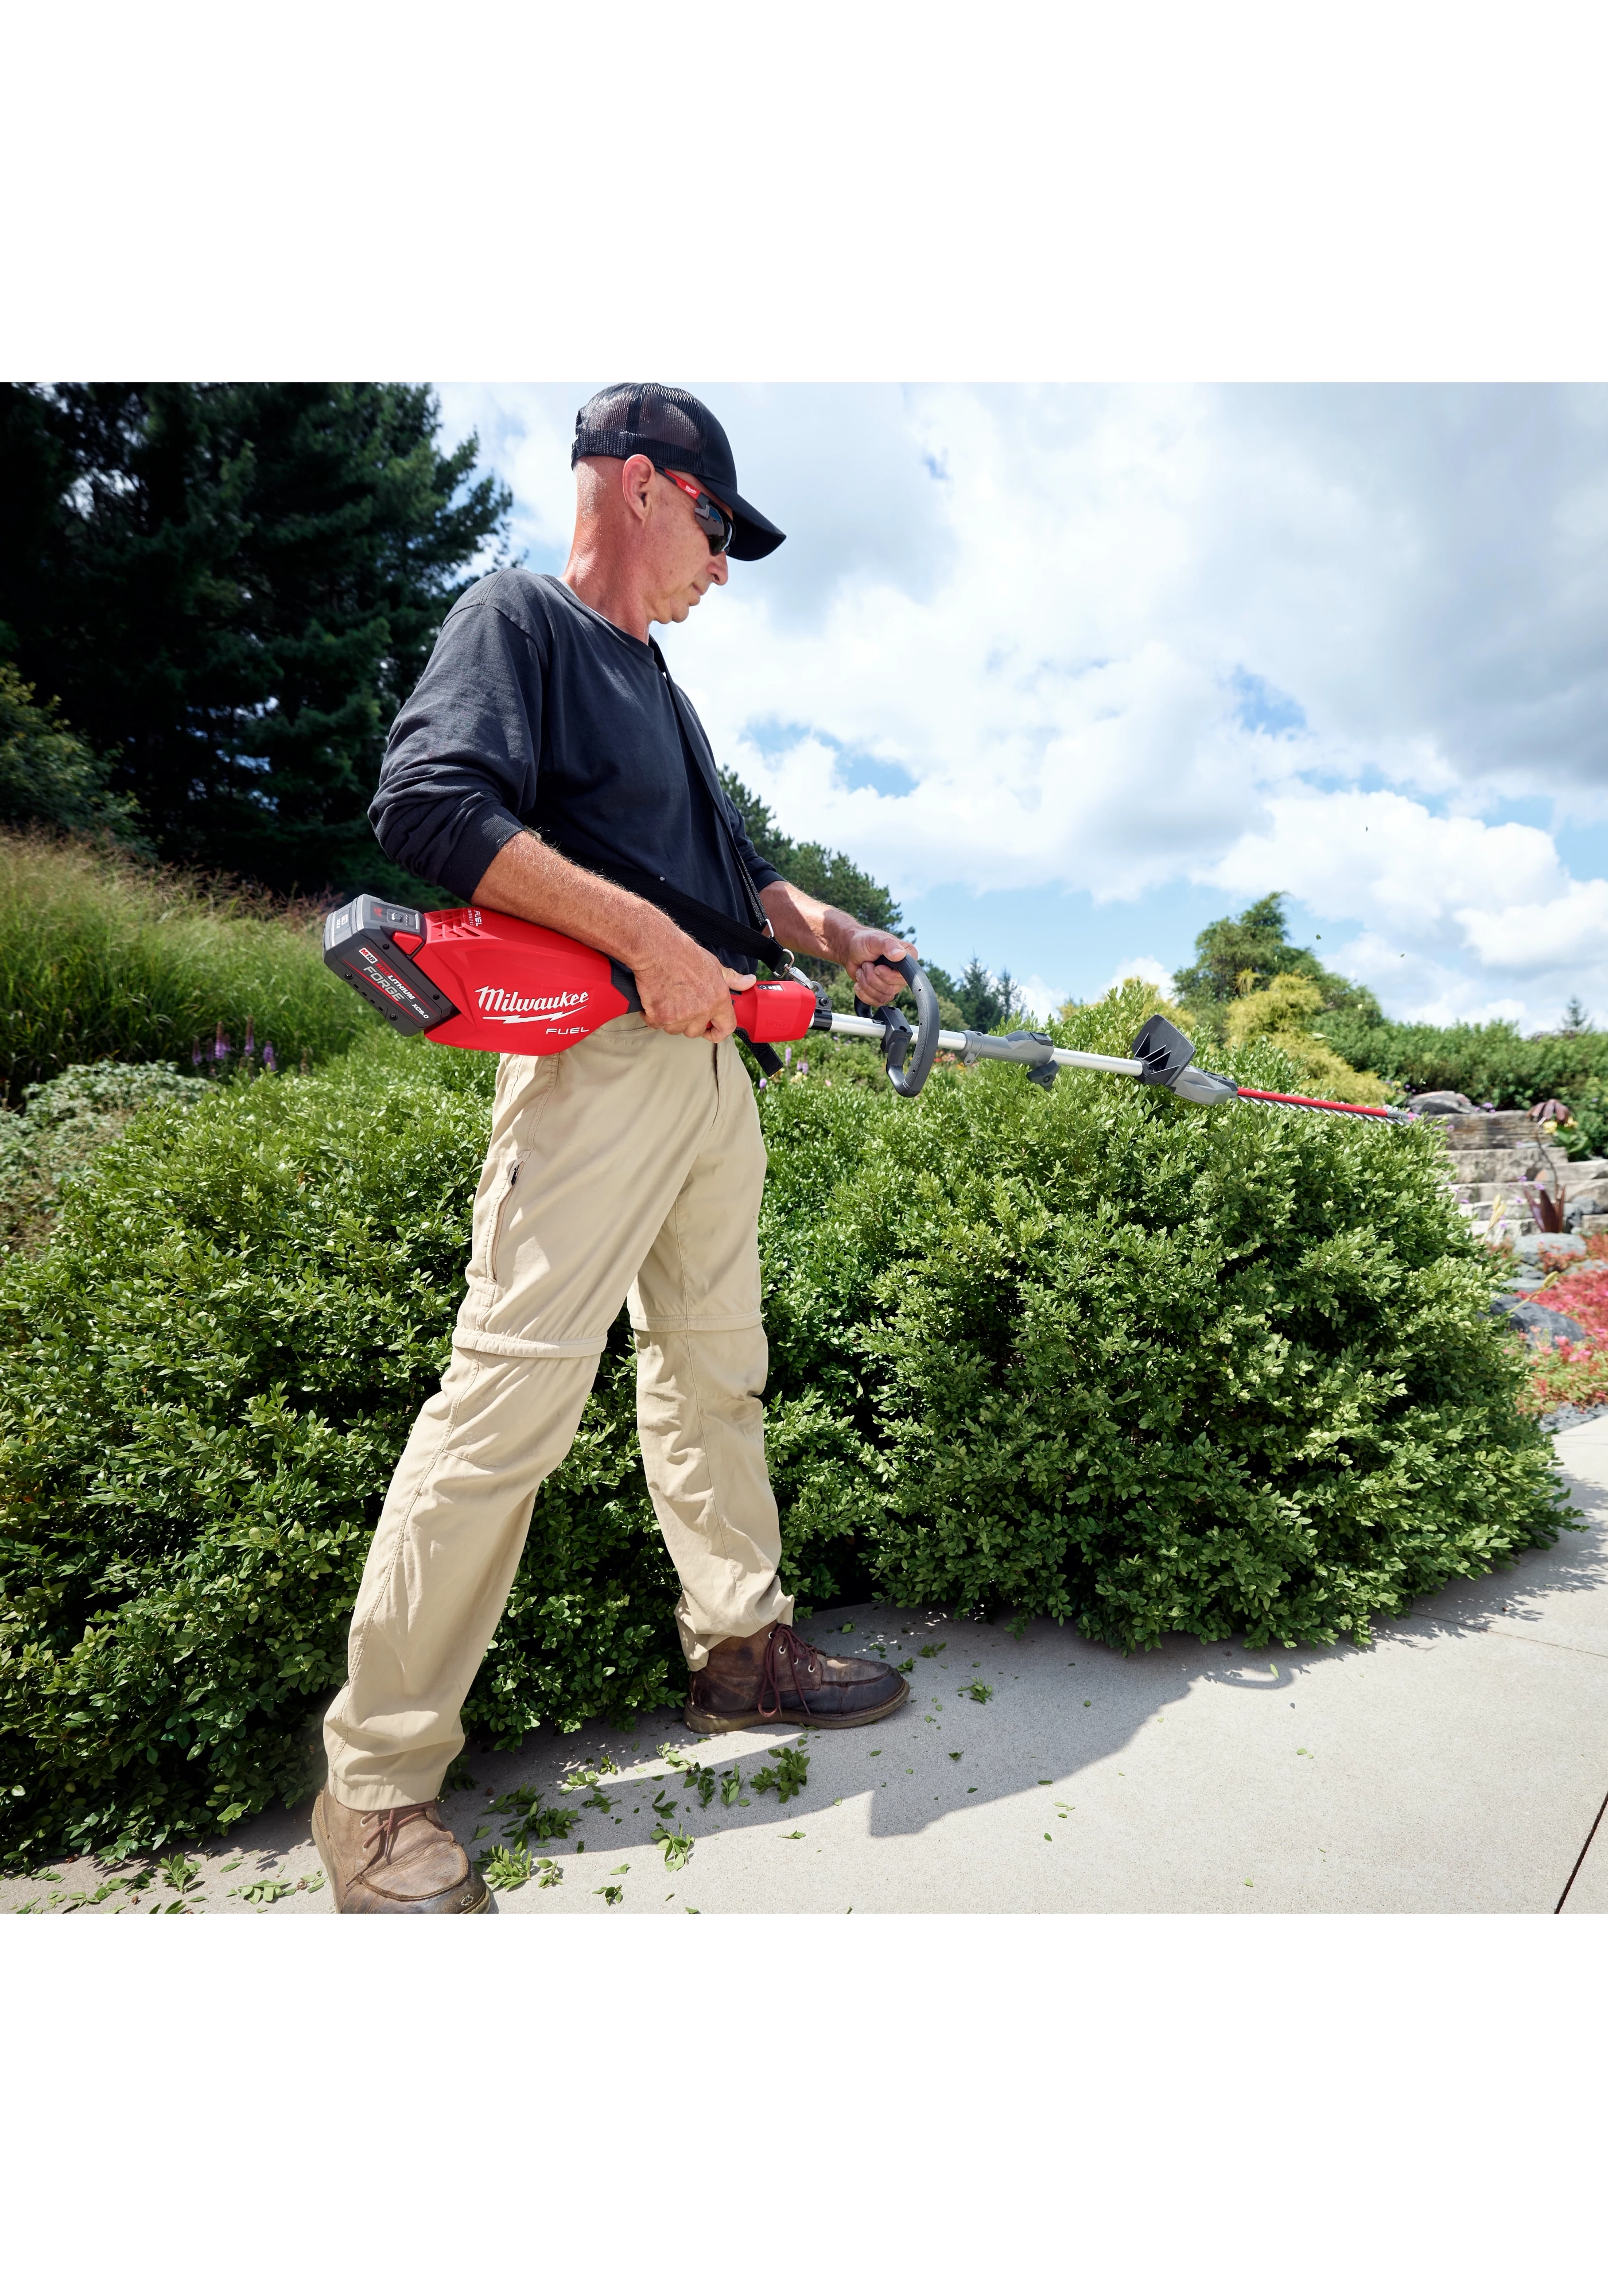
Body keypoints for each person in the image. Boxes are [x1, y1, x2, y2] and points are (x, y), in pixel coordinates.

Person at [311, 383, 914, 1915]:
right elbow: (429, 802)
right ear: (643, 487)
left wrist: (821, 931)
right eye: (718, 530)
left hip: (712, 1075)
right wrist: (647, 938)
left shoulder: (661, 686)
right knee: (506, 1401)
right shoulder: (518, 622)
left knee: (714, 1370)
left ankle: (739, 1652)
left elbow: (733, 866)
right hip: (591, 1062)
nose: (725, 566)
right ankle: (375, 1796)